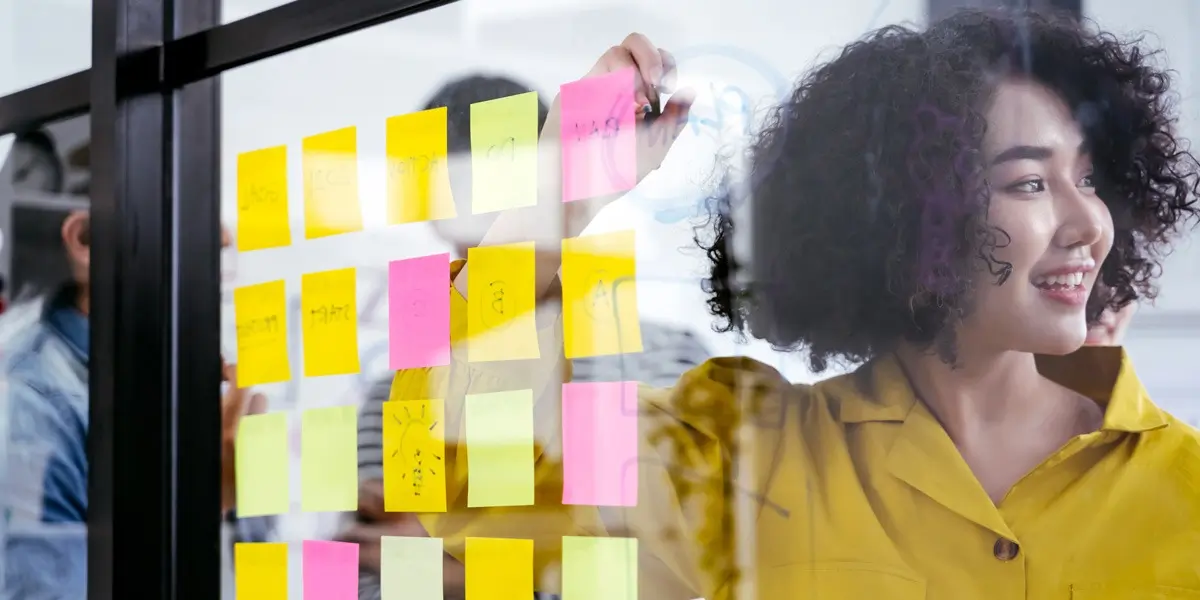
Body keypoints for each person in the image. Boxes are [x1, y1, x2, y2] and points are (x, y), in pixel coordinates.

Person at [385, 9, 1200, 600]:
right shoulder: (745, 450)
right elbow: (466, 484)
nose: (1090, 221)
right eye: (1028, 181)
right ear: (914, 209)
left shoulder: (1185, 488)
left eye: (1090, 178)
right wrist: (555, 192)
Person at [339, 74, 712, 600]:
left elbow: (702, 564)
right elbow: (371, 581)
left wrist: (463, 574)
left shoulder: (668, 359)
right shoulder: (396, 398)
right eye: (462, 190)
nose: (495, 226)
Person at [0, 211, 265, 598]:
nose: (219, 275)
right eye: (199, 248)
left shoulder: (168, 386)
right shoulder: (33, 405)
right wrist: (204, 502)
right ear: (84, 240)